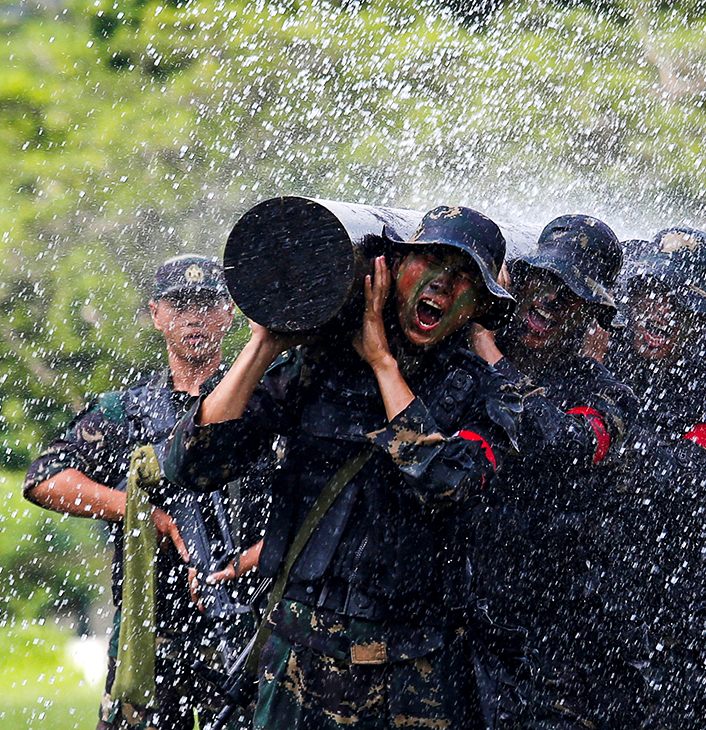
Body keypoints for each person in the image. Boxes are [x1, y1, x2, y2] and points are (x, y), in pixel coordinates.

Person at [162, 205, 521, 730]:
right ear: (392, 271)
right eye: (430, 262)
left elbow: (447, 482)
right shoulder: (321, 364)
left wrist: (383, 365)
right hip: (299, 660)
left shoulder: (484, 393)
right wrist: (264, 343)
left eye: (463, 275)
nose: (443, 284)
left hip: (412, 673)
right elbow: (191, 463)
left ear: (478, 305)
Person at [24, 255, 247, 730]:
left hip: (241, 624)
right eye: (180, 305)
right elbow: (44, 479)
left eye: (207, 305)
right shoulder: (127, 410)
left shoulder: (261, 400)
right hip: (148, 633)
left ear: (230, 314)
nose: (194, 318)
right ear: (156, 314)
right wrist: (138, 511)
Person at [467, 214, 640, 730]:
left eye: (568, 294)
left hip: (553, 651)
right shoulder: (462, 362)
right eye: (542, 282)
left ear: (591, 313)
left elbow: (555, 442)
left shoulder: (607, 397)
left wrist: (491, 356)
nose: (547, 302)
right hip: (461, 627)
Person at [605, 227, 706, 729]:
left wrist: (601, 423)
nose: (656, 310)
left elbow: (673, 474)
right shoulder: (611, 373)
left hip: (692, 653)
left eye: (673, 300)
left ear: (699, 321)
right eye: (647, 293)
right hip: (611, 634)